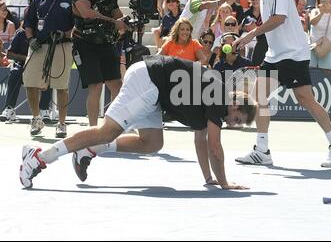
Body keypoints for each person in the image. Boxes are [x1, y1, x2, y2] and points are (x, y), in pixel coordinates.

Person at [19, 55, 257, 190]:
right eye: (237, 119)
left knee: (151, 142)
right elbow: (215, 146)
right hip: (149, 81)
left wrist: (209, 179)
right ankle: (40, 157)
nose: (233, 123)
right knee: (107, 131)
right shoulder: (220, 97)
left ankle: (89, 150)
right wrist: (226, 183)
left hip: (154, 86)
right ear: (235, 105)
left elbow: (201, 140)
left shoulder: (213, 97)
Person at [232, 0, 331, 167]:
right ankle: (262, 151)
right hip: (275, 55)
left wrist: (250, 34)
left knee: (306, 99)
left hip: (293, 54)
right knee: (259, 96)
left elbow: (279, 18)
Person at [71, 0, 128, 126]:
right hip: (85, 42)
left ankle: (113, 126)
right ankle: (93, 128)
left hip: (106, 42)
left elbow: (117, 13)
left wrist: (126, 22)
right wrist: (113, 22)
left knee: (116, 85)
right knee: (95, 86)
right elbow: (86, 13)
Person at [22, 0, 74, 137]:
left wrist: (65, 34)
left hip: (61, 46)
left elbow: (77, 24)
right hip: (38, 45)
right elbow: (28, 22)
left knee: (61, 86)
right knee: (30, 81)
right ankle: (36, 118)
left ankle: (61, 123)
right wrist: (31, 39)